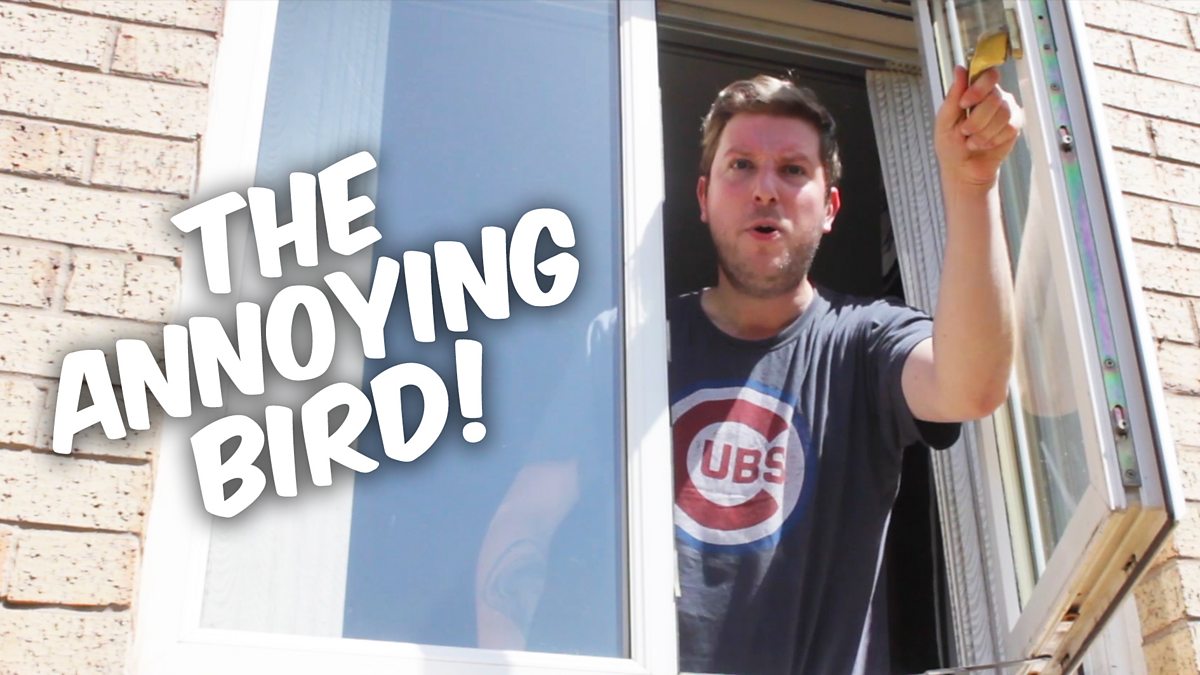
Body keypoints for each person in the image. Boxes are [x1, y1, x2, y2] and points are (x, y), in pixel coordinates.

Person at [669, 67, 1020, 674]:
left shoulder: (865, 340)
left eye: (793, 170)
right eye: (741, 165)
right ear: (703, 197)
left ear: (830, 207)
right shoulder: (633, 347)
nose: (764, 189)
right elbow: (531, 525)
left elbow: (972, 386)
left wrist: (973, 184)